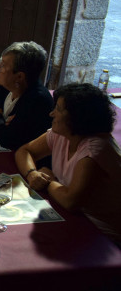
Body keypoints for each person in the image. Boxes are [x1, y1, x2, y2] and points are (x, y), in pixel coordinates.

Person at [16, 83, 121, 244]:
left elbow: (71, 201)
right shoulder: (63, 135)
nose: (52, 113)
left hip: (101, 235)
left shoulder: (94, 149)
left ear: (76, 117)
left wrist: (49, 181)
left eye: (58, 109)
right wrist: (33, 173)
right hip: (71, 216)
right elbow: (24, 151)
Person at [0, 41, 53, 152]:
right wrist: (2, 125)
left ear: (19, 76)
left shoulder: (38, 100)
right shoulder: (6, 87)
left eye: (3, 65)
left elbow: (7, 140)